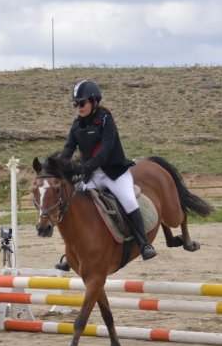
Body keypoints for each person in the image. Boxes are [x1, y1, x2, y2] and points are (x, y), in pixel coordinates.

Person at [54, 79, 156, 271]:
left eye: (82, 103)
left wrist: (88, 166)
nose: (78, 107)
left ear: (94, 101)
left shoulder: (106, 120)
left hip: (114, 173)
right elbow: (68, 148)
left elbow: (106, 149)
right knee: (74, 202)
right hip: (92, 175)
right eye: (75, 104)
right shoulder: (77, 125)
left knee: (128, 200)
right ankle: (71, 253)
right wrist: (59, 166)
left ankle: (144, 244)